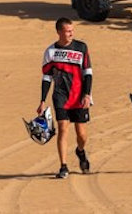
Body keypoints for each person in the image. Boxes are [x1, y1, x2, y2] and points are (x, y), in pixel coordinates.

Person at [37, 17, 93, 179]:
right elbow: (47, 77)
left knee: (82, 135)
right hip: (60, 96)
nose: (71, 33)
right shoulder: (50, 52)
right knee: (62, 128)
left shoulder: (81, 47)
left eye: (72, 31)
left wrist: (87, 94)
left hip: (79, 96)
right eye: (68, 31)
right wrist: (42, 100)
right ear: (59, 32)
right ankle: (63, 166)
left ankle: (80, 151)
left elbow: (88, 72)